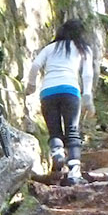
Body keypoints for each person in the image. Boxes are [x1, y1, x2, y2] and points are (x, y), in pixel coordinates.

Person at [25, 19, 96, 186]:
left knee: (54, 131)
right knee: (72, 131)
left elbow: (35, 65)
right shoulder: (83, 48)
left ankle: (57, 153)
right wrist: (87, 96)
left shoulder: (50, 48)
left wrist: (31, 85)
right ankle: (74, 174)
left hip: (48, 92)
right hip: (70, 91)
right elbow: (87, 74)